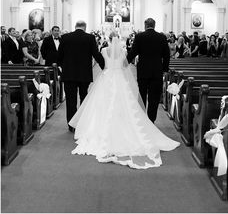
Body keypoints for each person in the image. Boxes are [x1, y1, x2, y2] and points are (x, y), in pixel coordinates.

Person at [69, 31, 180, 169]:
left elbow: (102, 63)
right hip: (120, 78)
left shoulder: (103, 50)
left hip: (107, 78)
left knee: (102, 103)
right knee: (124, 104)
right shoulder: (122, 51)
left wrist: (107, 68)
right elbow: (124, 64)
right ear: (118, 39)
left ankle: (99, 127)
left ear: (109, 39)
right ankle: (136, 122)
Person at [58, 20, 105, 132]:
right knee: (84, 98)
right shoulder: (90, 38)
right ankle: (83, 123)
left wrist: (62, 67)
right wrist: (104, 66)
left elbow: (59, 55)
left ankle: (71, 125)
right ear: (85, 27)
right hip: (84, 74)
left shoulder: (65, 37)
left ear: (75, 26)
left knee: (70, 100)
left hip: (69, 74)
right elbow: (96, 54)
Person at [127, 18, 170, 123]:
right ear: (154, 25)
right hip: (157, 71)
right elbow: (167, 55)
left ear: (145, 25)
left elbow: (133, 52)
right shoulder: (162, 37)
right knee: (154, 98)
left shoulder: (139, 36)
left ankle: (141, 120)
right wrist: (165, 69)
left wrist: (124, 63)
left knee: (142, 95)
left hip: (143, 71)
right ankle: (151, 121)